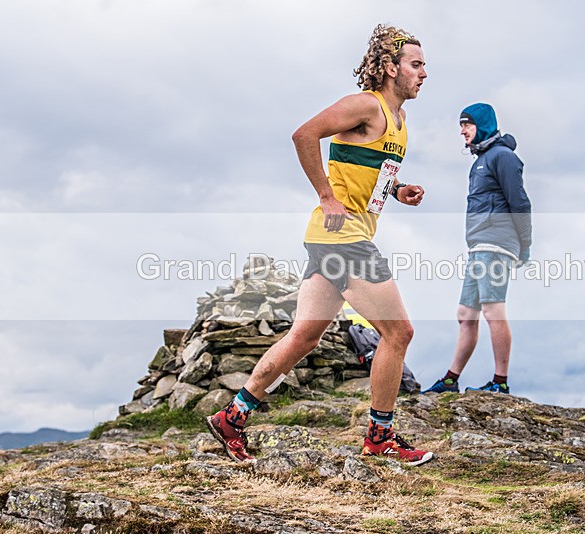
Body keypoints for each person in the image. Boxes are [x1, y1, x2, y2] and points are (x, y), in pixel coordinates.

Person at [206, 24, 433, 466]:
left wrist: (398, 189)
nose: (424, 73)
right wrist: (326, 197)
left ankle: (233, 417)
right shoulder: (364, 104)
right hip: (342, 239)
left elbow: (367, 170)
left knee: (305, 336)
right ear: (390, 67)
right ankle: (379, 437)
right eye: (416, 64)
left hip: (333, 239)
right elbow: (303, 135)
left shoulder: (400, 120)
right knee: (398, 332)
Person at [423, 103, 532, 395]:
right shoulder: (481, 160)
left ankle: (500, 381)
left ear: (481, 125)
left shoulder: (503, 157)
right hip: (479, 244)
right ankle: (450, 380)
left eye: (466, 125)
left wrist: (525, 244)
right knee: (465, 313)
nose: (462, 131)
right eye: (461, 125)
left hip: (496, 242)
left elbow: (520, 203)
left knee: (492, 310)